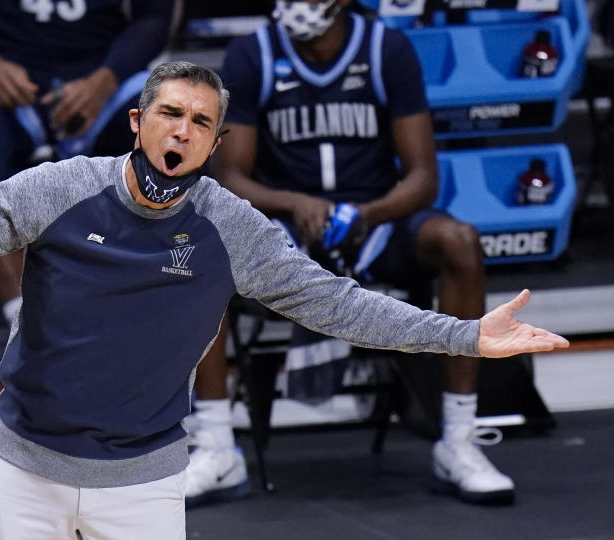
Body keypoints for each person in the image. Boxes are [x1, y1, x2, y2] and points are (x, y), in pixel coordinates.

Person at [0, 62, 568, 539]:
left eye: (199, 123)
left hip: (143, 483)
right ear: (136, 122)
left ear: (216, 143)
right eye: (167, 114)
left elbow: (337, 305)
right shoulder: (57, 188)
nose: (180, 131)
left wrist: (463, 333)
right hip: (28, 468)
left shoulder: (236, 228)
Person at [184, 0, 520, 507]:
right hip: (284, 230)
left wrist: (367, 215)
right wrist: (295, 203)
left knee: (459, 241)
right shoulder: (253, 54)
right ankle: (216, 446)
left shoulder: (387, 49)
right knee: (204, 246)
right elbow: (229, 176)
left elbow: (424, 178)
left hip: (374, 223)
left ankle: (459, 440)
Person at [0, 0, 173, 326]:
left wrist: (105, 80)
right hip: (3, 71)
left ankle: (161, 305)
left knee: (169, 134)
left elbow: (155, 16)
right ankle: (24, 320)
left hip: (102, 74)